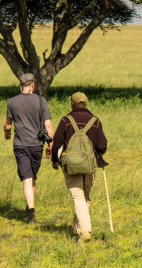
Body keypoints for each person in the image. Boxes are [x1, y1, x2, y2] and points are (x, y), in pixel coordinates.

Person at [51, 92, 108, 243]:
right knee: (85, 196)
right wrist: (97, 154)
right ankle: (78, 229)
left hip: (71, 164)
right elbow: (102, 146)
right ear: (86, 103)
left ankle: (85, 230)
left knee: (77, 195)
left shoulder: (66, 120)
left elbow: (57, 143)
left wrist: (55, 161)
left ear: (72, 104)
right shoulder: (95, 121)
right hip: (90, 164)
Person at [4, 73, 53, 223]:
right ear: (32, 85)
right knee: (32, 177)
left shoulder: (12, 102)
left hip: (20, 145)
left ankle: (30, 212)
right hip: (37, 145)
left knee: (27, 178)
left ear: (22, 85)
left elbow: (7, 125)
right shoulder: (41, 101)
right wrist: (51, 144)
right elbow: (48, 125)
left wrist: (7, 134)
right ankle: (30, 207)